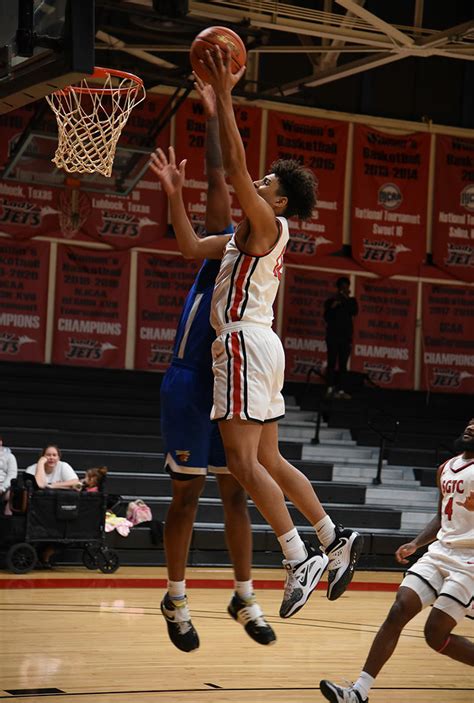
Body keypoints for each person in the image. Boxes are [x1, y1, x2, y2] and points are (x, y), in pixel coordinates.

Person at [150, 48, 363, 625]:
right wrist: (173, 194)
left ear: (279, 200)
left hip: (244, 344)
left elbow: (237, 169)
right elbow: (192, 247)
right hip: (262, 344)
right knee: (268, 455)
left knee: (242, 463)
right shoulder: (248, 233)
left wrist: (224, 98)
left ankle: (298, 556)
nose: (258, 183)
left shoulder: (266, 223)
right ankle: (332, 536)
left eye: (267, 182)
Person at [156, 77, 275, 653]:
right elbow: (217, 178)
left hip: (232, 374)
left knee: (236, 494)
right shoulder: (225, 248)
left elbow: (230, 180)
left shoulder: (258, 248)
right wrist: (210, 115)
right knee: (187, 496)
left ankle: (243, 593)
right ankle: (176, 597)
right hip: (189, 380)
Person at [319, 417, 474, 703]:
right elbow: (442, 517)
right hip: (439, 552)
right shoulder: (446, 467)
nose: (472, 426)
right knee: (399, 610)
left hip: (470, 563)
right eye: (471, 421)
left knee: (434, 634)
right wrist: (416, 543)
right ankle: (358, 693)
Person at [323, 276, 358, 400]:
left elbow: (354, 311)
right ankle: (329, 388)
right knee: (331, 363)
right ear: (338, 288)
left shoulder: (351, 301)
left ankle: (342, 390)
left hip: (345, 338)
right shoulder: (331, 301)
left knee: (343, 365)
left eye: (346, 287)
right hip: (332, 337)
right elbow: (326, 317)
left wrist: (346, 299)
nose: (344, 289)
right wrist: (334, 305)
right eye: (342, 287)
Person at [0, 435, 18, 512]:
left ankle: (8, 521)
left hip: (4, 487)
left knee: (11, 494)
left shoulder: (10, 457)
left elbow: (12, 475)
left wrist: (1, 489)